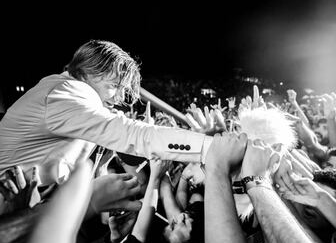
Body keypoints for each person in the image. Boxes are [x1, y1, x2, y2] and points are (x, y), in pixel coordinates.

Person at [0, 40, 213, 186]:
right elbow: (136, 135)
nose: (118, 98)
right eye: (114, 86)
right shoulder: (67, 93)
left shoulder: (61, 87)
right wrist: (208, 147)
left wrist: (100, 167)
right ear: (87, 71)